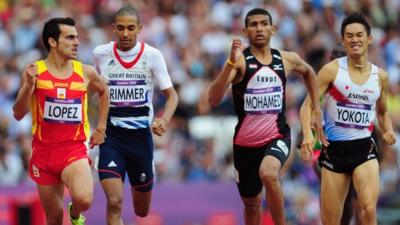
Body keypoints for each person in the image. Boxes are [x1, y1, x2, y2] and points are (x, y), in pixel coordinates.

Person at [208, 8, 323, 225]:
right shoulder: (239, 62)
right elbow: (213, 99)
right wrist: (230, 64)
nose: (259, 28)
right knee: (251, 205)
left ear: (273, 29)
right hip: (244, 145)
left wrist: (316, 110)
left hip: (277, 136)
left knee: (269, 174)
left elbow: (309, 72)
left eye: (263, 23)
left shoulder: (286, 59)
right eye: (253, 24)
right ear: (245, 30)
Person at [300, 13, 396, 225]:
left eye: (359, 35)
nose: (355, 39)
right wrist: (308, 134)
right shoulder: (331, 70)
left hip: (364, 150)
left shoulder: (380, 77)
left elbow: (382, 113)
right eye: (349, 35)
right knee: (332, 220)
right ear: (343, 40)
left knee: (369, 209)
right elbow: (307, 106)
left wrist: (387, 129)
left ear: (369, 39)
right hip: (334, 151)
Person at [12, 17, 109, 225]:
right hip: (44, 153)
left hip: (73, 149)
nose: (77, 42)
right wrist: (29, 86)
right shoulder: (34, 72)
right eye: (70, 37)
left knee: (84, 199)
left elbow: (104, 92)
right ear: (52, 42)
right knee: (54, 217)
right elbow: (18, 113)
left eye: (77, 37)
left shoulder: (85, 72)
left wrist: (101, 127)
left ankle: (75, 213)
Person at [92, 6, 178, 225]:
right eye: (120, 28)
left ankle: (148, 171)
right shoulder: (101, 54)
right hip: (112, 139)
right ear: (113, 29)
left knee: (141, 211)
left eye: (131, 28)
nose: (125, 33)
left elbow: (173, 96)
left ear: (140, 28)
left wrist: (164, 120)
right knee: (115, 201)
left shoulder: (152, 56)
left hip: (141, 140)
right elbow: (96, 91)